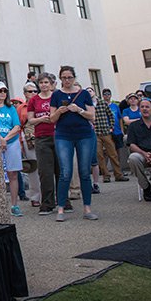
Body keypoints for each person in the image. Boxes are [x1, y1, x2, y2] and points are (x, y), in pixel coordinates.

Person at [48, 66, 97, 222]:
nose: (67, 81)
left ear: (74, 78)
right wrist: (60, 112)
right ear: (60, 79)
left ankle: (87, 208)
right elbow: (52, 119)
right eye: (64, 78)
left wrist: (79, 110)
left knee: (84, 171)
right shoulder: (56, 95)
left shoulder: (83, 94)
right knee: (65, 172)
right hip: (63, 135)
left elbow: (92, 116)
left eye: (69, 77)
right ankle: (61, 208)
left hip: (84, 135)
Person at [0, 82, 24, 217]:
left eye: (4, 91)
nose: (2, 93)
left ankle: (14, 204)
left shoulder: (11, 108)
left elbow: (17, 126)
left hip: (11, 142)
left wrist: (5, 139)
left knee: (13, 174)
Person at [27, 73, 58, 215]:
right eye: (41, 82)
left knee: (61, 170)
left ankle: (64, 201)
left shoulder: (56, 97)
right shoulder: (34, 100)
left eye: (46, 82)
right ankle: (47, 203)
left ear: (51, 84)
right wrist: (41, 119)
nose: (44, 85)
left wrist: (52, 118)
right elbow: (30, 120)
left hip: (58, 136)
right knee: (45, 172)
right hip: (41, 137)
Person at [94, 90, 126, 183]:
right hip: (96, 133)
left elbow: (111, 116)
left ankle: (118, 174)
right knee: (100, 155)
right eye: (105, 94)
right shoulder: (88, 105)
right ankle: (106, 175)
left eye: (91, 91)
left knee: (113, 154)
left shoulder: (103, 103)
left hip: (106, 132)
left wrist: (111, 127)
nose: (106, 95)